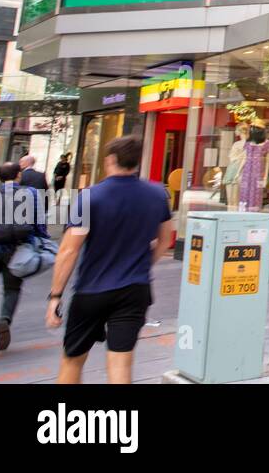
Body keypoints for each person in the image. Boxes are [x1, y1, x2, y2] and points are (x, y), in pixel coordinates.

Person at [45, 135, 173, 384]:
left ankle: (67, 421)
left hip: (92, 290)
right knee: (121, 364)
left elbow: (69, 251)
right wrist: (143, 264)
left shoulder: (90, 197)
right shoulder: (157, 194)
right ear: (137, 162)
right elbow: (165, 240)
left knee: (72, 359)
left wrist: (55, 296)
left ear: (110, 160)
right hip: (135, 290)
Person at [0, 162, 47, 351]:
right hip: (18, 250)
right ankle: (5, 318)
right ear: (19, 175)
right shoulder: (31, 194)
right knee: (12, 289)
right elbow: (39, 223)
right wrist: (40, 241)